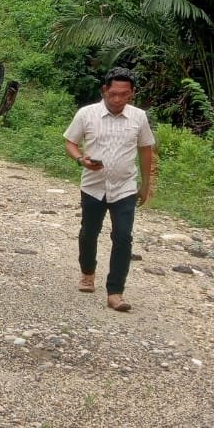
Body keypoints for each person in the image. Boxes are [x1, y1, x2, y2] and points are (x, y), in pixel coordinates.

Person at [63, 66, 158, 312]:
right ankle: (87, 273)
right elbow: (70, 142)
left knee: (123, 237)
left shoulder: (139, 117)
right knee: (89, 232)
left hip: (125, 187)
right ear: (104, 90)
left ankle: (115, 292)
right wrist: (81, 159)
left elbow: (145, 149)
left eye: (124, 94)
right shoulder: (87, 114)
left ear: (132, 93)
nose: (117, 99)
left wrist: (146, 185)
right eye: (113, 93)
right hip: (93, 186)